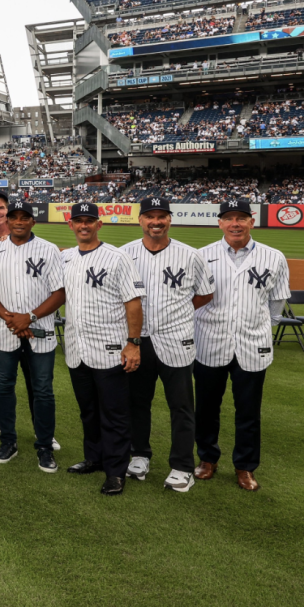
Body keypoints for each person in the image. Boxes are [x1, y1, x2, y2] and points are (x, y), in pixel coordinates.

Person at [192, 199, 289, 492]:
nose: (235, 223)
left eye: (241, 217)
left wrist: (258, 326)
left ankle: (245, 467)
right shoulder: (201, 255)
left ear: (252, 221)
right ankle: (208, 459)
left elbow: (277, 304)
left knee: (248, 411)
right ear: (219, 223)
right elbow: (191, 298)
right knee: (207, 408)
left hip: (252, 344)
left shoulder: (274, 257)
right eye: (229, 217)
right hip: (209, 342)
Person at [120, 197, 213, 492]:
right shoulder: (125, 254)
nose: (156, 222)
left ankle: (182, 465)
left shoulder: (190, 255)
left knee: (182, 406)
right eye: (150, 216)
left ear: (170, 220)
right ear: (140, 220)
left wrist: (178, 313)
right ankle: (139, 455)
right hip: (138, 341)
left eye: (162, 216)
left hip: (176, 340)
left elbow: (205, 294)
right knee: (137, 402)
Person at [60, 203, 146, 495]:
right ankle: (94, 458)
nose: (84, 225)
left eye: (90, 221)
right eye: (79, 221)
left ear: (99, 225)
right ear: (70, 225)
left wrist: (133, 343)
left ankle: (115, 471)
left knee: (115, 414)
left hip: (110, 349)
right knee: (88, 411)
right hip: (76, 348)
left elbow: (133, 302)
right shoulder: (65, 258)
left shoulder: (118, 257)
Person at [0, 199, 64, 470]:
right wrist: (8, 317)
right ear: (8, 221)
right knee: (3, 387)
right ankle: (8, 441)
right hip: (4, 330)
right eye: (15, 217)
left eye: (25, 217)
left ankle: (45, 446)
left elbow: (60, 292)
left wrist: (30, 317)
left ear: (33, 221)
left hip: (40, 330)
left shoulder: (48, 250)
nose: (19, 221)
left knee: (43, 390)